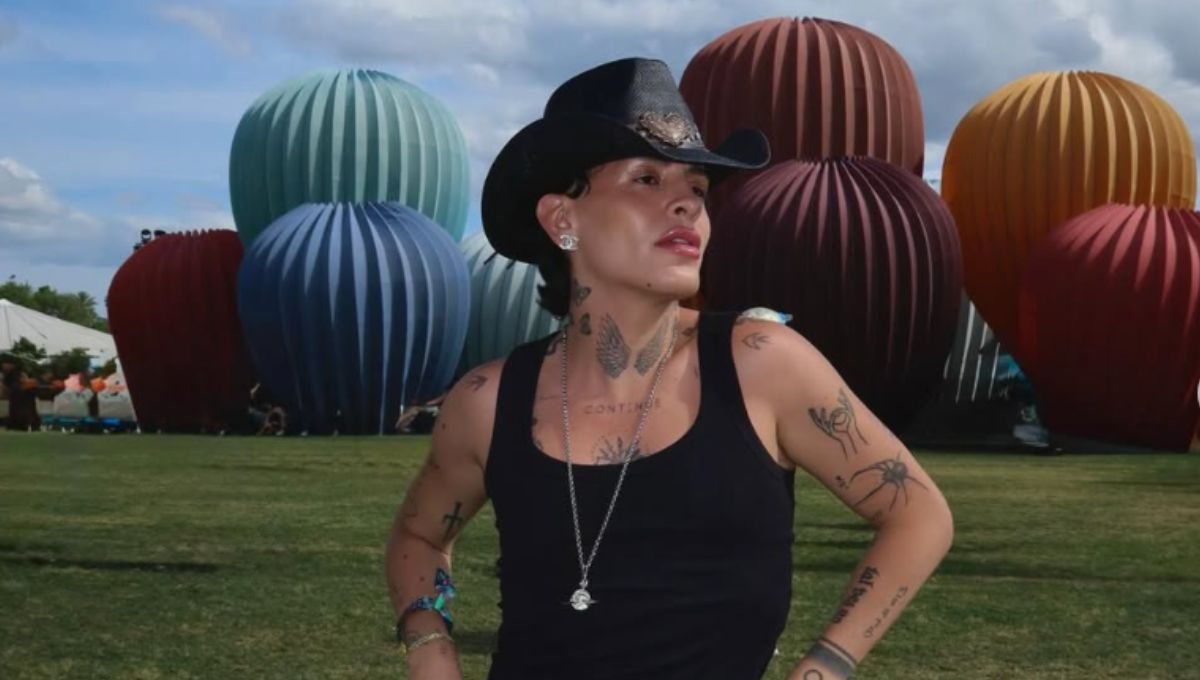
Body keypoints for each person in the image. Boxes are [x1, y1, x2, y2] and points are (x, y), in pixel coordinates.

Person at [385, 57, 953, 680]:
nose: (685, 204)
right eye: (647, 179)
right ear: (562, 219)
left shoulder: (762, 365)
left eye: (698, 189)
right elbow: (418, 537)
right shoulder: (488, 401)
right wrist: (430, 651)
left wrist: (825, 668)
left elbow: (918, 515)